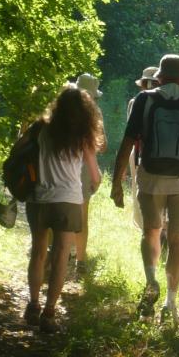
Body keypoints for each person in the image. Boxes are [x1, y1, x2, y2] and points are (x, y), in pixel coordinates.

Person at [111, 54, 179, 325]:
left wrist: (117, 182)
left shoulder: (144, 100)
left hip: (150, 180)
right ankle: (170, 302)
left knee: (151, 233)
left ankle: (150, 281)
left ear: (158, 77)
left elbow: (127, 142)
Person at [23, 86, 104, 333]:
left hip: (39, 199)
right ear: (84, 111)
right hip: (68, 201)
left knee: (38, 252)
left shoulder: (40, 128)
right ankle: (49, 314)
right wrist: (91, 185)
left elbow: (21, 152)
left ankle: (33, 305)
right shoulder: (82, 135)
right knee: (60, 257)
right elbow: (95, 176)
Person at [74, 73, 107, 275]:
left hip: (59, 167)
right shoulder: (95, 113)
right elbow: (102, 146)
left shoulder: (62, 110)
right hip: (85, 168)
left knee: (57, 212)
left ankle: (52, 254)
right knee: (82, 215)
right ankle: (80, 261)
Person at [127, 67, 160, 229]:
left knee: (140, 190)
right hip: (158, 153)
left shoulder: (135, 102)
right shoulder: (168, 102)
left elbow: (130, 134)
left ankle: (146, 227)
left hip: (139, 152)